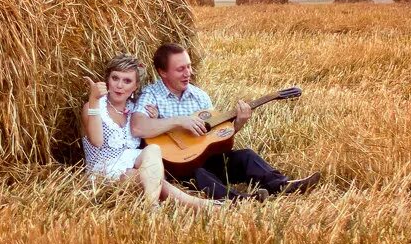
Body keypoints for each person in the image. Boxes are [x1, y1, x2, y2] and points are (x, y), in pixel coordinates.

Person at [130, 43, 321, 201]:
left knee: (246, 156)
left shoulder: (199, 97)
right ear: (162, 72)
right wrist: (179, 121)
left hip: (204, 157)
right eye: (180, 69)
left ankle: (283, 186)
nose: (188, 72)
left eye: (188, 66)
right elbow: (138, 127)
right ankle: (239, 200)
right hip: (176, 167)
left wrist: (238, 124)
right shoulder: (151, 95)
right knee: (199, 173)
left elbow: (213, 140)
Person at [81, 54, 216, 209]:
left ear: (135, 86)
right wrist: (93, 99)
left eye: (127, 81)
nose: (119, 85)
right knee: (145, 177)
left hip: (131, 166)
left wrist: (156, 118)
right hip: (102, 172)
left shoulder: (135, 109)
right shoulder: (94, 107)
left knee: (153, 151)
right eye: (115, 78)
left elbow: (152, 138)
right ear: (107, 81)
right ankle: (202, 205)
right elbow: (97, 141)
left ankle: (151, 206)